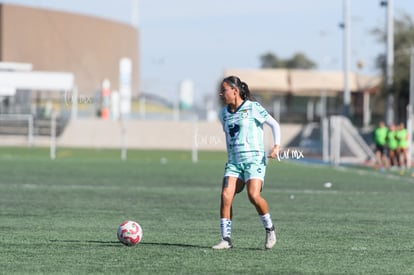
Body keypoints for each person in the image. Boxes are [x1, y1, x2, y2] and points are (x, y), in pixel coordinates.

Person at [212, 75, 281, 250]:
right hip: (234, 163)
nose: (221, 94)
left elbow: (274, 125)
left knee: (253, 196)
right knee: (225, 196)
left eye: (224, 90)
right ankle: (226, 239)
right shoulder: (223, 114)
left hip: (254, 161)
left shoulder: (253, 108)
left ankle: (270, 229)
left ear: (235, 91)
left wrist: (276, 146)